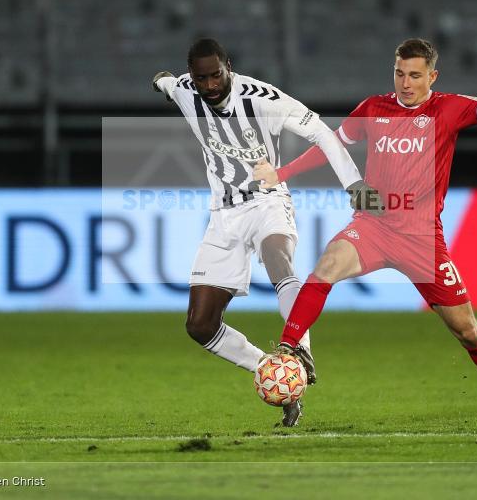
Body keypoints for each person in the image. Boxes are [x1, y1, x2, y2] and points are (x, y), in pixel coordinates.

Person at [256, 38, 477, 424]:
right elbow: (328, 146)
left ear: (432, 76)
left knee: (469, 333)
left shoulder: (450, 108)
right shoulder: (373, 109)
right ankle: (288, 348)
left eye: (414, 75)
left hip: (422, 240)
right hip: (374, 227)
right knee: (325, 267)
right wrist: (282, 174)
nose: (405, 83)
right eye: (399, 73)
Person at [152, 38, 379, 427]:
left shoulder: (261, 98)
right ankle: (275, 374)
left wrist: (354, 185)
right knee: (200, 325)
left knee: (277, 258)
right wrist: (163, 81)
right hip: (223, 215)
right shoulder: (187, 89)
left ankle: (300, 351)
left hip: (267, 201)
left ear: (229, 66)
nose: (209, 86)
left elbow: (323, 134)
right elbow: (168, 83)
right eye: (201, 78)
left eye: (216, 76)